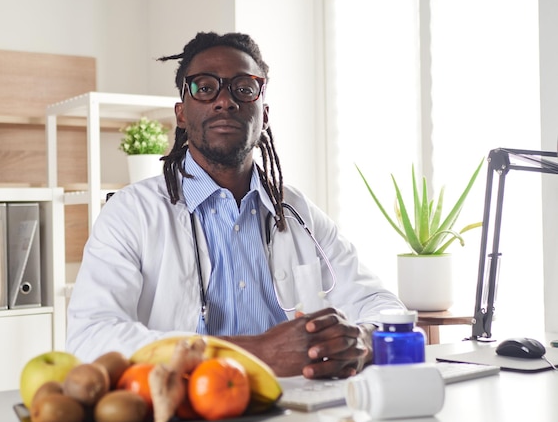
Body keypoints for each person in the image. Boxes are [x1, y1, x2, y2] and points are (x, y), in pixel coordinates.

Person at [66, 31, 405, 379]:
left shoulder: (297, 211)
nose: (225, 101)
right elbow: (90, 338)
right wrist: (257, 353)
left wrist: (360, 339)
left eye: (244, 88)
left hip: (299, 409)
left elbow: (386, 309)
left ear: (264, 114)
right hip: (192, 416)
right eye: (205, 87)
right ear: (181, 113)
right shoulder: (131, 212)